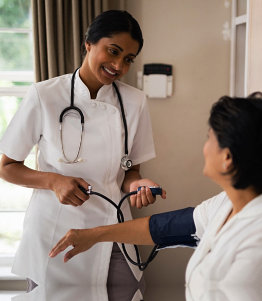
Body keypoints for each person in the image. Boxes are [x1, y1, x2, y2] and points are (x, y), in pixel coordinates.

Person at [0, 10, 166, 291]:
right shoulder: (45, 94)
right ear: (89, 43)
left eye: (128, 59)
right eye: (112, 51)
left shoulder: (134, 102)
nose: (118, 65)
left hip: (112, 228)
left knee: (126, 291)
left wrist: (138, 184)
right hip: (55, 230)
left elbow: (131, 170)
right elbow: (7, 166)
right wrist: (53, 181)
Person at [50, 93, 262, 297]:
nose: (204, 148)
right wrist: (94, 235)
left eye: (210, 138)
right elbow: (165, 227)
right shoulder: (225, 204)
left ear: (227, 157)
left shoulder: (256, 235)